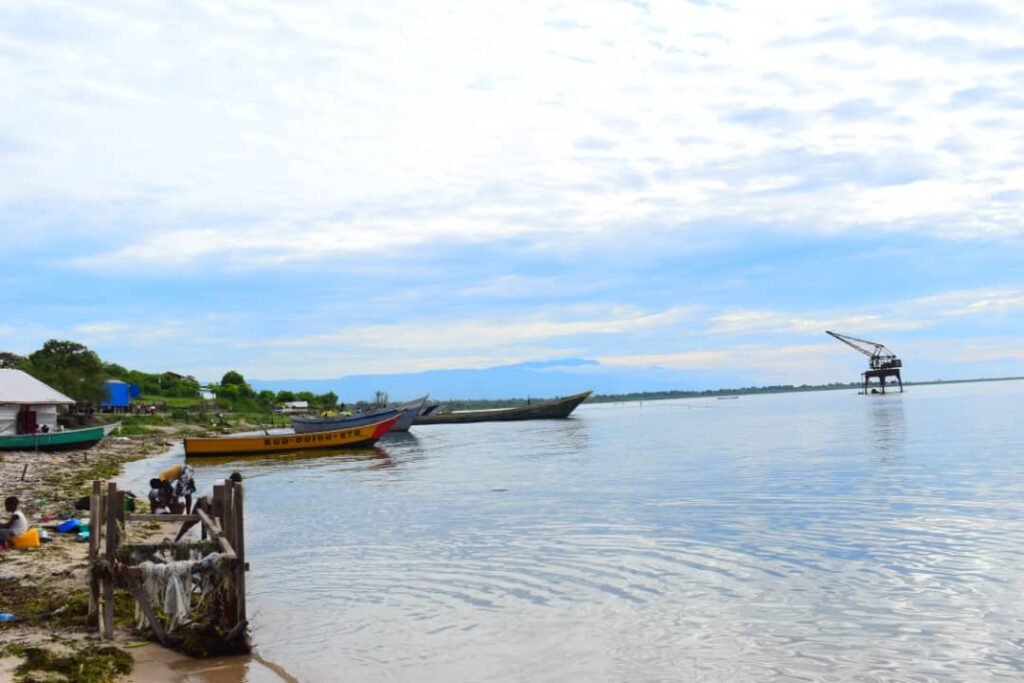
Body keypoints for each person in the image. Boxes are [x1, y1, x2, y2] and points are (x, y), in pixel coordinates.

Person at [174, 472, 242, 542]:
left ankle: (177, 539)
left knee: (214, 524)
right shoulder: (223, 485)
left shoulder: (224, 484)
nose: (235, 487)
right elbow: (220, 503)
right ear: (233, 482)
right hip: (203, 503)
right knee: (190, 523)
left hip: (209, 503)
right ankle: (177, 540)